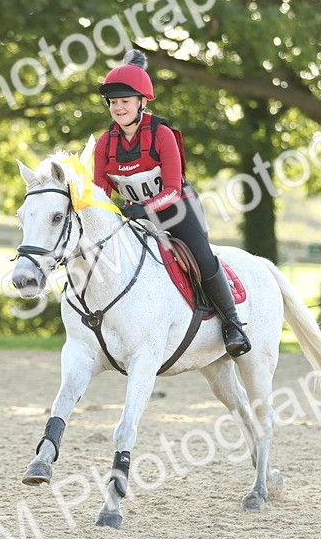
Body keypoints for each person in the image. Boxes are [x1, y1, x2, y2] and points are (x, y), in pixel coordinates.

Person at [92, 49, 251, 357]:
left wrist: (144, 208)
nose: (118, 108)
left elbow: (173, 190)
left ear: (142, 102)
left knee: (203, 258)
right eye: (113, 103)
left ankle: (233, 325)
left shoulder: (161, 134)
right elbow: (101, 192)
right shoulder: (104, 143)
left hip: (175, 210)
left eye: (125, 101)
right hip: (135, 216)